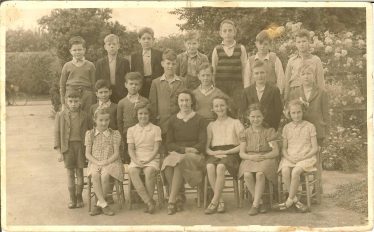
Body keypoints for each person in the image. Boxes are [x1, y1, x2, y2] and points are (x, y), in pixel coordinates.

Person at [161, 90, 207, 215]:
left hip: (195, 155)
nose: (184, 103)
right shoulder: (172, 120)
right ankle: (179, 197)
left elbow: (202, 143)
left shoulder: (200, 119)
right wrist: (183, 150)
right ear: (178, 102)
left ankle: (172, 200)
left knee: (179, 162)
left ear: (192, 102)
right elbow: (169, 143)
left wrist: (189, 151)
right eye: (181, 100)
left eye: (187, 100)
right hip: (179, 153)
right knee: (167, 164)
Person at [277, 99, 319, 213]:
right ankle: (295, 200)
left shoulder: (310, 126)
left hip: (306, 157)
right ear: (289, 114)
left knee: (295, 172)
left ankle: (289, 201)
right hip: (290, 156)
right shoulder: (286, 128)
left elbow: (315, 148)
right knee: (285, 171)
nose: (296, 115)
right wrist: (289, 157)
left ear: (303, 111)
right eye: (293, 113)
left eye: (299, 112)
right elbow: (284, 149)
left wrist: (302, 157)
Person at [204, 95, 244, 214]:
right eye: (216, 106)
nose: (219, 108)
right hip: (216, 152)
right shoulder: (211, 125)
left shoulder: (235, 123)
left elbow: (243, 144)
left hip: (232, 153)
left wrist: (225, 152)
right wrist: (214, 153)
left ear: (227, 106)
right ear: (212, 108)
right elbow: (207, 148)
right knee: (209, 166)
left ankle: (214, 201)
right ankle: (220, 200)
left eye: (222, 105)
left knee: (221, 167)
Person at [238, 103, 279, 216]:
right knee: (247, 174)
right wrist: (251, 157)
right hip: (250, 158)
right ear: (248, 117)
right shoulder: (245, 133)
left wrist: (264, 157)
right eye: (253, 117)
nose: (255, 119)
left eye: (258, 116)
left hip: (267, 157)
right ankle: (260, 202)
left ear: (263, 117)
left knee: (260, 174)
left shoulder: (269, 131)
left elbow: (275, 152)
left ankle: (255, 205)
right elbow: (242, 153)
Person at [85, 108, 124, 216]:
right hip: (95, 162)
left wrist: (106, 161)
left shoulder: (114, 134)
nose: (104, 123)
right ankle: (103, 204)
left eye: (106, 120)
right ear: (95, 120)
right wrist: (97, 162)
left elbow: (116, 154)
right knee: (95, 174)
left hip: (112, 162)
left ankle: (98, 205)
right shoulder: (90, 134)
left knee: (105, 175)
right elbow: (87, 154)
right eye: (101, 120)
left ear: (109, 120)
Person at [54, 89, 89, 209]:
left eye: (76, 101)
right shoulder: (60, 115)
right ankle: (72, 198)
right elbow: (57, 133)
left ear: (80, 102)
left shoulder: (85, 115)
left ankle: (79, 197)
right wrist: (59, 151)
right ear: (66, 101)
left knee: (79, 172)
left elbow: (89, 133)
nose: (73, 103)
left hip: (80, 147)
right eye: (71, 101)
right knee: (69, 173)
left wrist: (88, 149)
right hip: (67, 147)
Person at [127, 102, 162, 214]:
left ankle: (149, 202)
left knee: (149, 171)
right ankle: (149, 202)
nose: (143, 116)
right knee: (132, 171)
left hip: (152, 157)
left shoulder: (156, 129)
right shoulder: (131, 130)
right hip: (137, 157)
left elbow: (156, 148)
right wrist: (136, 160)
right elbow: (131, 149)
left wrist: (149, 159)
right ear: (136, 115)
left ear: (149, 114)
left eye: (145, 113)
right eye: (140, 113)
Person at [289, 62, 330, 147]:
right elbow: (291, 113)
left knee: (317, 156)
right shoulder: (295, 93)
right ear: (299, 77)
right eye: (303, 74)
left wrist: (327, 134)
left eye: (309, 73)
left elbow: (326, 115)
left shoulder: (321, 93)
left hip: (318, 131)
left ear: (314, 75)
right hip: (301, 132)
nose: (306, 76)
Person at [211, 19, 247, 115]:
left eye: (230, 30)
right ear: (220, 33)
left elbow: (245, 69)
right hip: (221, 86)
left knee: (237, 110)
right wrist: (214, 87)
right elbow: (213, 70)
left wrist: (245, 86)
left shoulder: (241, 48)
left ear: (234, 32)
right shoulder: (217, 49)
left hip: (237, 86)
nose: (227, 33)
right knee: (222, 110)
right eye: (225, 31)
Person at [149, 49, 186, 140]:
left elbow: (187, 102)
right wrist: (155, 120)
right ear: (162, 64)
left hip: (179, 122)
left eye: (173, 64)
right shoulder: (156, 83)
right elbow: (153, 104)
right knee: (163, 150)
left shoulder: (182, 81)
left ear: (176, 65)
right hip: (162, 123)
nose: (171, 66)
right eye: (168, 63)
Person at [284, 29, 325, 102]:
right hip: (295, 93)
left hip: (311, 94)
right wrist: (286, 97)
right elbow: (287, 81)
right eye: (299, 42)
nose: (301, 44)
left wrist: (320, 98)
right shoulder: (291, 61)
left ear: (309, 42)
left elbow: (320, 82)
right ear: (296, 44)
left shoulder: (316, 60)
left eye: (304, 41)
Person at [117, 72, 149, 164]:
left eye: (136, 84)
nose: (133, 86)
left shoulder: (145, 101)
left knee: (141, 157)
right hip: (127, 135)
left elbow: (148, 118)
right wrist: (122, 136)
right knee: (129, 159)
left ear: (140, 86)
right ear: (126, 85)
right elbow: (119, 122)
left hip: (142, 135)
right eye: (131, 84)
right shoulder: (122, 103)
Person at [241, 60, 283, 130]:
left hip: (269, 128)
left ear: (266, 73)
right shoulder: (247, 91)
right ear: (253, 75)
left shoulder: (274, 90)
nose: (259, 76)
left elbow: (278, 112)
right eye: (256, 73)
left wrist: (273, 128)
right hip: (252, 129)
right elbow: (244, 112)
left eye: (262, 72)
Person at [59, 36, 96, 114]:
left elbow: (94, 85)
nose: (77, 52)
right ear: (70, 51)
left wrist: (95, 101)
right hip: (71, 95)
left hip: (87, 95)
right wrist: (63, 103)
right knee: (72, 117)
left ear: (84, 50)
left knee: (87, 117)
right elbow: (62, 86)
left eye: (79, 49)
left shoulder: (90, 65)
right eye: (74, 50)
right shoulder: (67, 66)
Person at [245, 30, 285, 95]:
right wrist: (248, 94)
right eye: (260, 44)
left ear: (270, 44)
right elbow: (247, 79)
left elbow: (281, 79)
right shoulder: (250, 60)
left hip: (271, 94)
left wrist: (278, 94)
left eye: (265, 44)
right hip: (254, 94)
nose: (262, 47)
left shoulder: (274, 59)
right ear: (256, 44)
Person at [95, 34, 130, 104]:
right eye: (109, 44)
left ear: (118, 46)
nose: (112, 46)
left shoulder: (125, 62)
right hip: (105, 93)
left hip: (121, 92)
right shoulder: (100, 63)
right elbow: (97, 80)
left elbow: (127, 78)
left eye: (114, 44)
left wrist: (125, 92)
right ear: (105, 47)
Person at [131, 27, 164, 98]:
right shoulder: (134, 56)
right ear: (139, 40)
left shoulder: (159, 54)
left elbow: (162, 71)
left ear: (153, 40)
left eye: (149, 38)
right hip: (140, 86)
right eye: (143, 38)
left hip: (156, 85)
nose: (146, 41)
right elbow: (133, 73)